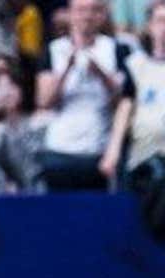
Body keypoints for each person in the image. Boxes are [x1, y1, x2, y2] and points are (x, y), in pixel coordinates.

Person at [35, 0, 131, 190]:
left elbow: (123, 102)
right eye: (81, 10)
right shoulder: (53, 50)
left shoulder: (117, 50)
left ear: (103, 15)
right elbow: (44, 101)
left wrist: (101, 74)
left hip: (98, 150)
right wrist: (66, 69)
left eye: (94, 10)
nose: (87, 16)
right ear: (70, 14)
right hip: (59, 149)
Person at [102, 1, 165, 181]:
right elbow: (125, 108)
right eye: (161, 21)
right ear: (150, 26)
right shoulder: (136, 64)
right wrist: (112, 151)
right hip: (144, 159)